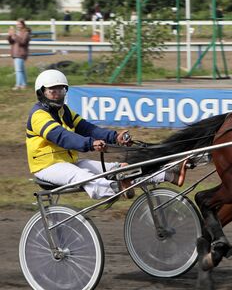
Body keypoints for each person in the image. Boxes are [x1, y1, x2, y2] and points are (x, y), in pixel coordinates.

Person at [26, 70, 185, 200]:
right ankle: (119, 187)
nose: (57, 94)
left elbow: (88, 129)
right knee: (83, 176)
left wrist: (114, 137)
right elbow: (62, 136)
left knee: (116, 168)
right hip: (47, 167)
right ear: (41, 92)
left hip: (68, 162)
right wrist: (90, 144)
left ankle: (167, 174)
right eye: (52, 91)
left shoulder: (65, 111)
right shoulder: (38, 115)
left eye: (61, 90)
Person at [7, 19, 31, 91]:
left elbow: (22, 42)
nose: (18, 25)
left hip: (21, 53)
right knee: (21, 70)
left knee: (18, 70)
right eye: (17, 24)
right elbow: (11, 42)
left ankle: (18, 85)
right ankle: (24, 85)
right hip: (15, 52)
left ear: (23, 25)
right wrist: (10, 35)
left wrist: (14, 35)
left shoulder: (26, 33)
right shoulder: (17, 32)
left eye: (19, 24)